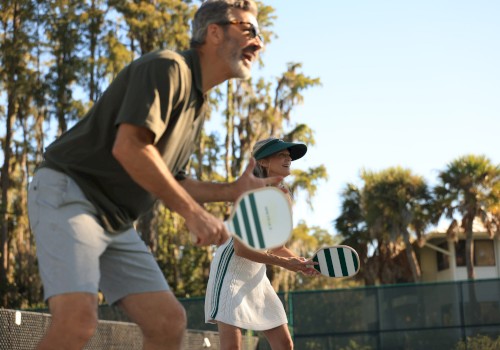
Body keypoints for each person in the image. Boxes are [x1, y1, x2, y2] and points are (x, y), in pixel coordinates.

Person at [27, 1, 277, 349]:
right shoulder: (168, 68)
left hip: (114, 220)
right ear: (214, 32)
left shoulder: (198, 104)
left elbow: (174, 180)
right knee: (77, 322)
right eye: (248, 30)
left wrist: (234, 190)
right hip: (69, 193)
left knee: (167, 322)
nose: (258, 43)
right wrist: (192, 213)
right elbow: (130, 148)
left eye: (261, 35)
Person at [204, 137, 321, 350]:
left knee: (285, 344)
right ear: (263, 162)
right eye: (281, 155)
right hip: (231, 268)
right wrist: (286, 264)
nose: (288, 159)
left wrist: (300, 263)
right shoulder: (248, 192)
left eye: (289, 156)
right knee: (232, 347)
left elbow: (277, 247)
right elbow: (241, 249)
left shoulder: (284, 196)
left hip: (257, 272)